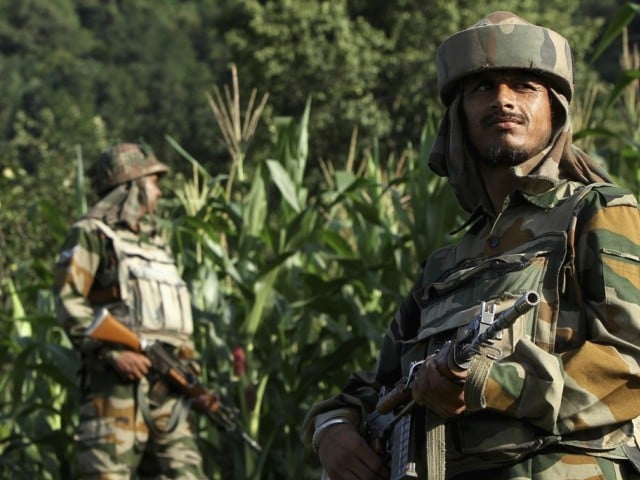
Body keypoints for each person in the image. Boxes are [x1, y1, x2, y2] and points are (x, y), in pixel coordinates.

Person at [301, 11, 640, 480]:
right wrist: (333, 428)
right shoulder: (446, 265)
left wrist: (492, 385)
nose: (503, 100)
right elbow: (380, 387)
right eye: (483, 88)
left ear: (555, 108)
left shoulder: (596, 211)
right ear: (458, 116)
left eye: (524, 86)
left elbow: (629, 364)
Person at [53, 142, 207, 479]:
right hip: (115, 394)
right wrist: (111, 353)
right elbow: (69, 300)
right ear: (130, 187)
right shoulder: (92, 235)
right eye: (153, 182)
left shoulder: (155, 244)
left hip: (169, 394)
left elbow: (174, 322)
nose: (160, 192)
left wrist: (192, 379)